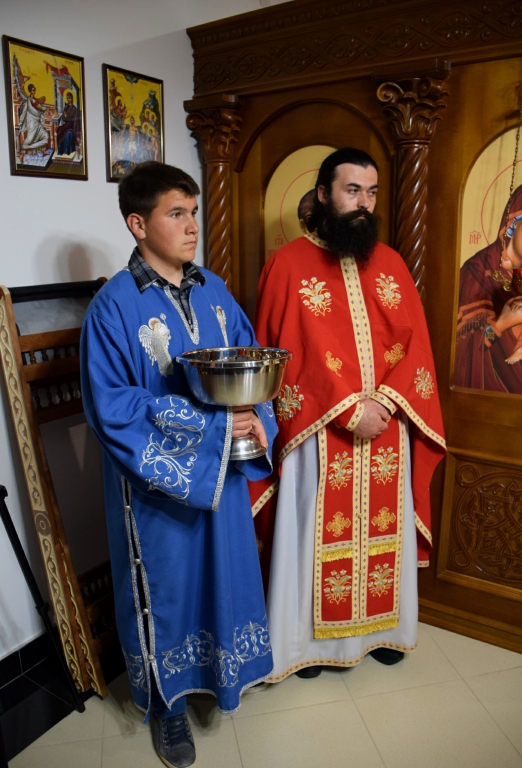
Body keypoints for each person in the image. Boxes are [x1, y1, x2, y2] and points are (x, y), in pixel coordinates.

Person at [80, 162, 277, 768]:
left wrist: (252, 418)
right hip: (157, 492)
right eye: (176, 213)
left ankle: (219, 677)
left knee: (222, 578)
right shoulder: (113, 307)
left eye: (193, 212)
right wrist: (215, 427)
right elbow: (114, 408)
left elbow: (251, 362)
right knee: (167, 591)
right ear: (138, 224)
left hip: (220, 480)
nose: (193, 226)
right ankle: (167, 706)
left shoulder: (214, 289)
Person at [250, 147, 445, 681]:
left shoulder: (392, 263)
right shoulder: (287, 264)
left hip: (386, 428)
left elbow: (416, 347)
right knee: (311, 532)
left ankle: (383, 633)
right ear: (323, 194)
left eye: (371, 192)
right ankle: (306, 645)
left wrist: (383, 403)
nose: (363, 203)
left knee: (383, 530)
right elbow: (280, 354)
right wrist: (345, 408)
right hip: (316, 433)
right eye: (352, 190)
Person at [455, 184, 522, 392]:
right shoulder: (475, 273)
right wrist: (502, 325)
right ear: (512, 225)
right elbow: (461, 356)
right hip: (491, 401)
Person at [18, 83, 50, 154]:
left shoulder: (34, 100)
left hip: (38, 123)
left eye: (34, 90)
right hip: (32, 123)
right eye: (32, 90)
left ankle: (39, 150)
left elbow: (39, 108)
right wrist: (46, 109)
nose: (34, 92)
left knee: (46, 137)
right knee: (29, 140)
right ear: (30, 91)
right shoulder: (31, 100)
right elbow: (40, 108)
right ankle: (25, 148)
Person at [56, 91, 81, 156]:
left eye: (70, 98)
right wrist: (65, 116)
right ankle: (61, 151)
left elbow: (75, 120)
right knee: (59, 131)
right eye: (68, 98)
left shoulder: (74, 109)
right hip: (66, 125)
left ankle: (67, 151)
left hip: (71, 125)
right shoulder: (66, 107)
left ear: (72, 98)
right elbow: (64, 118)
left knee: (69, 133)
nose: (69, 99)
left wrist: (66, 116)